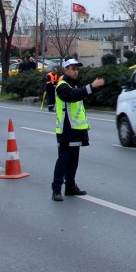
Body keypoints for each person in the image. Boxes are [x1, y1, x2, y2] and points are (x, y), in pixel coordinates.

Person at [51, 59, 105, 201]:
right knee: (63, 160)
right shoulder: (62, 86)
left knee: (73, 160)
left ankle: (70, 186)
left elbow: (78, 97)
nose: (76, 71)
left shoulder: (72, 84)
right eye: (73, 68)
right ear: (66, 70)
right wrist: (91, 86)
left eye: (77, 69)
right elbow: (73, 96)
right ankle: (56, 189)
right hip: (65, 130)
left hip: (76, 129)